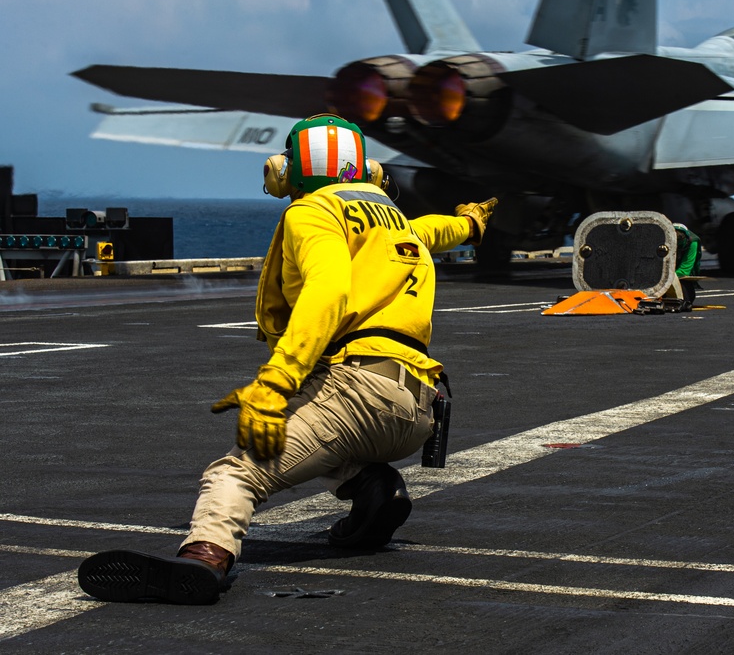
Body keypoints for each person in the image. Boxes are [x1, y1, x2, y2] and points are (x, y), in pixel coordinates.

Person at [78, 114, 498, 605]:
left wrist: (277, 379)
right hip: (417, 407)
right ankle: (374, 490)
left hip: (355, 392)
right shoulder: (397, 224)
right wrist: (471, 222)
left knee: (235, 473)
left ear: (288, 170)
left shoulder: (312, 212)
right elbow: (437, 230)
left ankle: (203, 560)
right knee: (323, 434)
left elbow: (328, 288)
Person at [672, 223, 702, 310]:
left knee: (685, 298)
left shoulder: (693, 242)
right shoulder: (661, 238)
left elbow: (685, 269)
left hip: (679, 273)